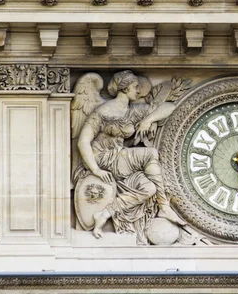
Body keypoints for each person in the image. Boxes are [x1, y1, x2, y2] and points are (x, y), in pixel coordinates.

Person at [77, 70, 184, 243]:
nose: (139, 91)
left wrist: (148, 120)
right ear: (125, 88)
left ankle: (105, 213)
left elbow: (169, 107)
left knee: (149, 189)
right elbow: (83, 141)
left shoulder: (133, 111)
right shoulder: (103, 111)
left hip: (121, 159)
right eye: (135, 87)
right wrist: (95, 169)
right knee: (150, 153)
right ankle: (164, 205)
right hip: (103, 157)